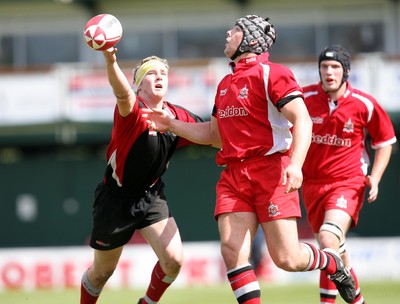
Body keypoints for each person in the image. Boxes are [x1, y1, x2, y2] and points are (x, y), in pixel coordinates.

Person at [142, 14, 357, 303]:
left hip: (271, 171)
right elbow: (214, 135)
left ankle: (332, 262)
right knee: (232, 252)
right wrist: (170, 124)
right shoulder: (225, 83)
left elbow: (302, 120)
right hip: (233, 176)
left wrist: (295, 164)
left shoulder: (274, 73)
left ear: (249, 39)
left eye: (233, 31)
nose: (227, 36)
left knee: (287, 258)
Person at [79, 49, 207, 304]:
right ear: (139, 85)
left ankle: (147, 303)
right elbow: (122, 93)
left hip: (151, 195)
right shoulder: (133, 110)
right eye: (151, 73)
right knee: (102, 273)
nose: (160, 77)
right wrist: (110, 60)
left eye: (164, 73)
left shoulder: (176, 115)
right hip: (115, 199)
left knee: (174, 261)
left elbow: (210, 133)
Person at [301, 44, 397, 304]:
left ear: (346, 72)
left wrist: (375, 177)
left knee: (328, 238)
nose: (329, 72)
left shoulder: (364, 104)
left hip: (347, 182)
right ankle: (358, 301)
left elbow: (385, 141)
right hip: (311, 185)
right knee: (334, 250)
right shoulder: (304, 99)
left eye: (335, 67)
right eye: (324, 66)